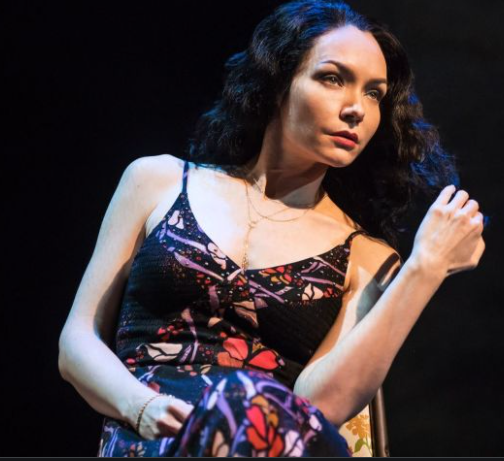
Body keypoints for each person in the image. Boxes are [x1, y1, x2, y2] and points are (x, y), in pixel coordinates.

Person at [58, 0, 485, 457]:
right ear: (278, 82)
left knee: (245, 398)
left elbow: (321, 407)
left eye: (373, 94)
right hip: (149, 439)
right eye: (333, 78)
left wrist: (424, 269)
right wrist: (141, 407)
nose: (356, 109)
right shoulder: (157, 181)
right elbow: (76, 342)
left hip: (270, 444)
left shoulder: (365, 255)